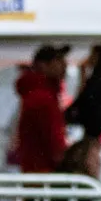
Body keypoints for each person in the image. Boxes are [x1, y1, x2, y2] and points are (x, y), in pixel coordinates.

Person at [8, 44, 70, 174]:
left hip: (37, 170)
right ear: (43, 65)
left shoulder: (41, 94)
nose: (64, 65)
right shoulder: (42, 98)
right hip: (43, 172)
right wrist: (64, 161)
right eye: (58, 60)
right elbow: (53, 139)